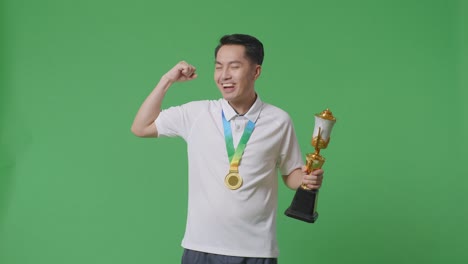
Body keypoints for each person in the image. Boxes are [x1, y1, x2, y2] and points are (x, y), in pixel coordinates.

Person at [131, 34, 324, 264]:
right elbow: (141, 127)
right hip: (200, 247)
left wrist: (307, 179)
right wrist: (166, 80)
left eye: (234, 67)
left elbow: (291, 175)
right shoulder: (197, 114)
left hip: (255, 251)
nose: (224, 76)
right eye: (219, 67)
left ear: (256, 72)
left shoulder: (278, 120)